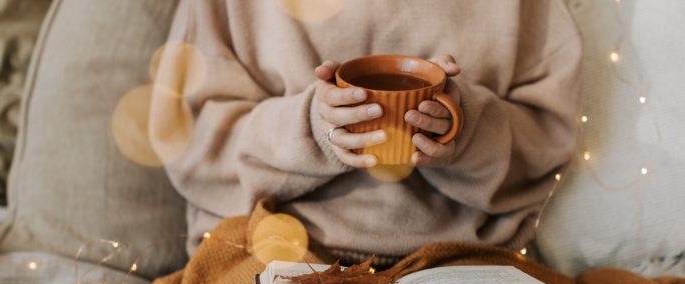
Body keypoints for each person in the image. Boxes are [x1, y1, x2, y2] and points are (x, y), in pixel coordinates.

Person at [155, 0, 582, 268]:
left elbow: (547, 138)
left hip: (464, 264)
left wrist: (465, 127)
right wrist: (311, 129)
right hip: (268, 253)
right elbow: (192, 139)